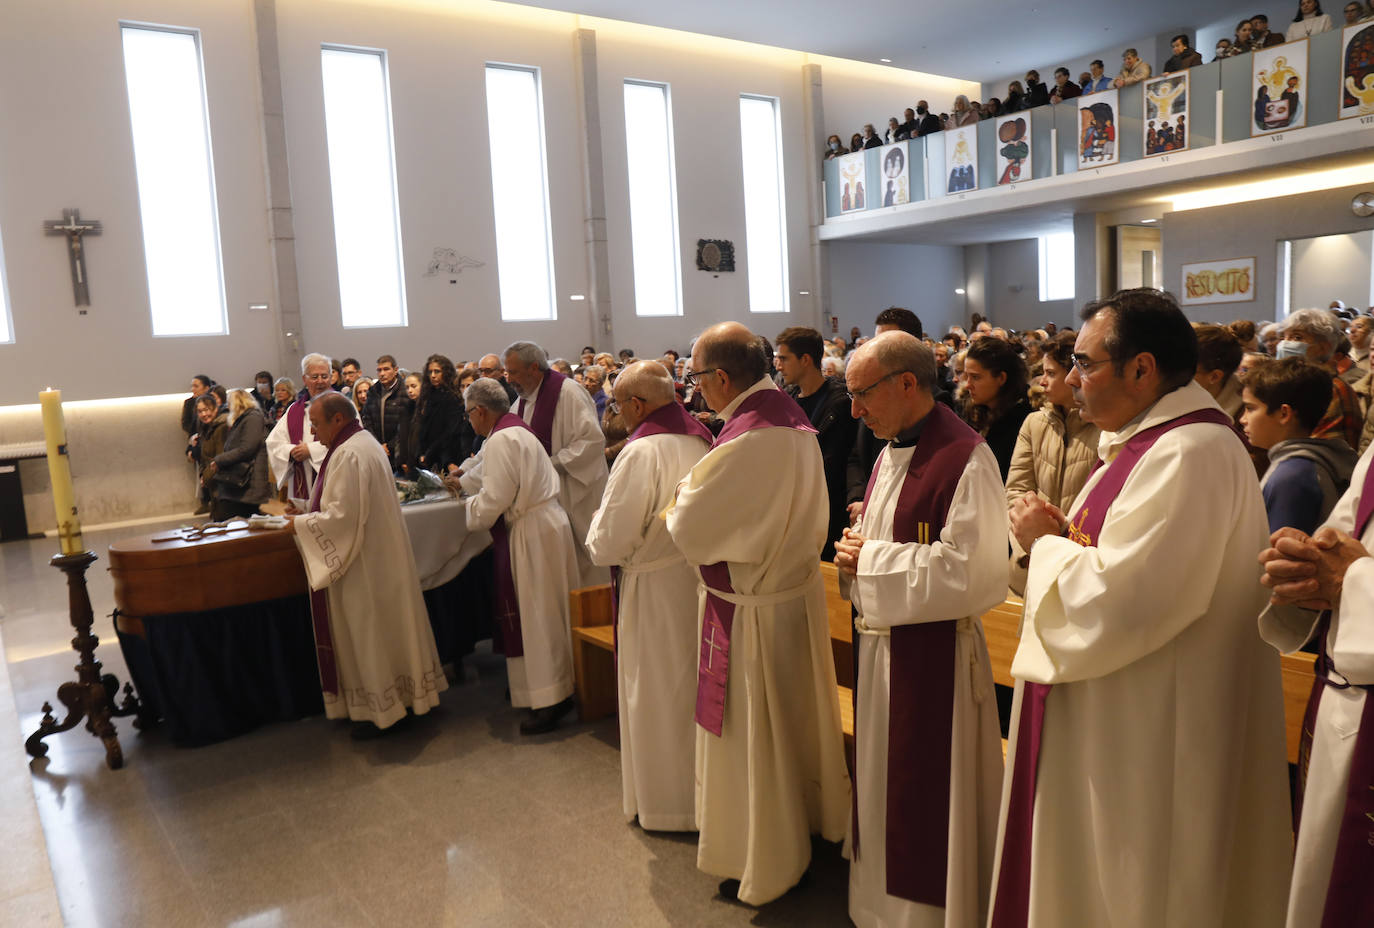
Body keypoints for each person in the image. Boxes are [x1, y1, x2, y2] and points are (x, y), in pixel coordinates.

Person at [993, 289, 1292, 928]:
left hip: (1151, 722)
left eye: (1084, 363)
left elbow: (1125, 598)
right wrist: (1061, 537)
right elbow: (1117, 560)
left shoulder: (1189, 452)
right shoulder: (1149, 443)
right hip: (1120, 706)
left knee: (1141, 887)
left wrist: (1042, 544)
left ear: (1141, 369)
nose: (1071, 381)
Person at [664, 322, 850, 906]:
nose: (695, 389)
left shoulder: (746, 440)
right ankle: (804, 827)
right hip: (788, 600)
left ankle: (762, 851)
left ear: (722, 377)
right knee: (789, 728)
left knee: (753, 736)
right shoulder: (795, 424)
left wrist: (675, 507)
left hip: (748, 614)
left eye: (695, 377)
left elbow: (688, 525)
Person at [835, 332, 1006, 928]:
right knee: (883, 790)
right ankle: (878, 910)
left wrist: (870, 560)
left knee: (923, 798)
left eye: (862, 394)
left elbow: (977, 574)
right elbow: (890, 541)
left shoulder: (966, 458)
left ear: (907, 383)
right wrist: (858, 546)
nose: (855, 410)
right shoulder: (888, 451)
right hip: (886, 652)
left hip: (936, 663)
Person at [584, 361, 712, 832]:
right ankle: (702, 801)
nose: (618, 414)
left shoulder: (639, 453)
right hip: (697, 581)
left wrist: (595, 535)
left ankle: (666, 807)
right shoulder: (701, 440)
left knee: (656, 693)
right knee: (690, 691)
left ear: (636, 404)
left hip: (654, 588)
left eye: (618, 404)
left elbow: (612, 539)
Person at [285, 392, 446, 739]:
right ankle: (405, 700)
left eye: (316, 424)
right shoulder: (363, 443)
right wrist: (305, 508)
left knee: (370, 631)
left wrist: (298, 526)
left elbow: (342, 517)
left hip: (363, 565)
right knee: (390, 631)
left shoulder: (348, 454)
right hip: (379, 555)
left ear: (338, 419)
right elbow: (343, 503)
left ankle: (383, 711)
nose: (313, 433)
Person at [1258, 452, 1374, 926]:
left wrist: (1355, 579)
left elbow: (1352, 569)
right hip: (1343, 702)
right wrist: (1304, 564)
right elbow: (1339, 541)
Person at [459, 378, 580, 735]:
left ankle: (551, 700)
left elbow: (495, 497)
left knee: (539, 614)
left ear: (480, 411)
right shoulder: (519, 431)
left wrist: (470, 509)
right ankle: (560, 686)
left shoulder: (500, 439)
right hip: (547, 524)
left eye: (469, 414)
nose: (470, 421)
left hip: (532, 530)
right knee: (550, 611)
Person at [502, 340, 609, 586]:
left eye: (513, 372)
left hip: (574, 490)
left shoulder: (569, 392)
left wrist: (550, 464)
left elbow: (591, 441)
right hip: (546, 497)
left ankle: (595, 619)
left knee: (585, 564)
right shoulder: (521, 402)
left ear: (534, 368)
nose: (508, 379)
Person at [1005, 331, 1100, 595]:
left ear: (1075, 375)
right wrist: (1030, 542)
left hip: (1081, 564)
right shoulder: (1034, 423)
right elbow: (1016, 490)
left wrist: (1057, 542)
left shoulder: (1105, 428)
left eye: (1050, 373)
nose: (1042, 382)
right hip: (1027, 563)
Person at [1242, 358, 1357, 535]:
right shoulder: (1314, 461)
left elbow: (1278, 555)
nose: (1243, 419)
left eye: (1250, 408)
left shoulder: (1291, 477)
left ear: (1284, 413)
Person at [776, 326, 859, 560]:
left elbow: (833, 463)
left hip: (827, 508)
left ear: (805, 360)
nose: (778, 366)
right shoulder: (788, 398)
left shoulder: (839, 402)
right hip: (795, 507)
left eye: (784, 358)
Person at [1279, 308, 1362, 450]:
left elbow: (1327, 454)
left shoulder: (1333, 390)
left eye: (1297, 337)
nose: (1285, 344)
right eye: (1284, 337)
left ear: (1323, 348)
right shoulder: (1286, 382)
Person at [266, 354, 334, 510]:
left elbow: (350, 443)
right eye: (314, 376)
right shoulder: (294, 410)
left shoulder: (343, 407)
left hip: (332, 479)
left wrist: (310, 450)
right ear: (305, 379)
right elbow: (274, 442)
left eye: (324, 376)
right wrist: (293, 451)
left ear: (331, 377)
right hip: (302, 478)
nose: (320, 381)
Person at [961, 337, 1032, 479]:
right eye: (966, 376)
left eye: (975, 377)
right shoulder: (973, 413)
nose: (967, 385)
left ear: (1001, 378)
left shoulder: (1024, 421)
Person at [202, 388, 271, 522]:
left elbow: (247, 449)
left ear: (238, 402)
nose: (227, 406)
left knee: (226, 522)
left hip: (248, 485)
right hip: (240, 483)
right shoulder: (243, 419)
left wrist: (219, 460)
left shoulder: (253, 418)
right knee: (224, 520)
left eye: (229, 402)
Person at [188, 394, 227, 515]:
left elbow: (220, 458)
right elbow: (205, 456)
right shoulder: (205, 428)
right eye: (200, 411)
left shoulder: (222, 427)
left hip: (224, 484)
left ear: (215, 408)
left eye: (206, 409)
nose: (203, 414)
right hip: (213, 483)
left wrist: (205, 477)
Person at [362, 354, 407, 457]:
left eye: (386, 369)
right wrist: (377, 444)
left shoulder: (405, 392)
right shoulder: (373, 391)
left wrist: (389, 446)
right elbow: (366, 420)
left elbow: (406, 424)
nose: (382, 373)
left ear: (396, 370)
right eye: (379, 370)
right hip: (376, 448)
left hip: (399, 450)